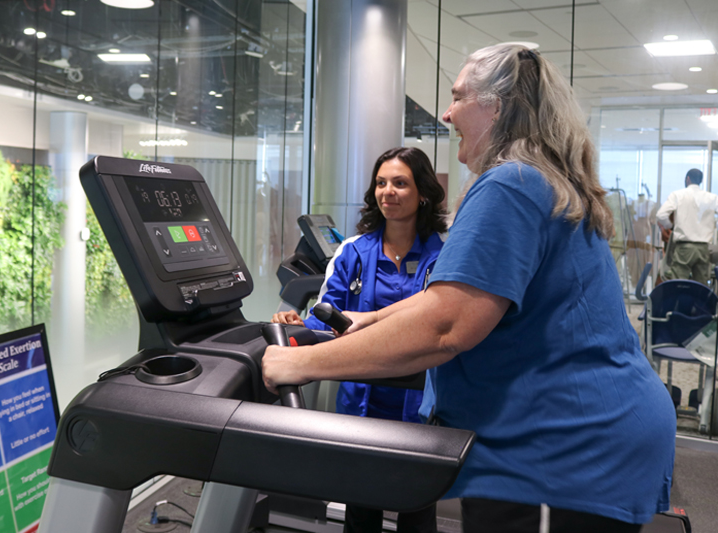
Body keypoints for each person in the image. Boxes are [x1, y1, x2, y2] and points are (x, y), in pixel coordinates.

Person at [263, 44, 676, 533]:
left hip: (558, 451)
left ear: (495, 107)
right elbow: (463, 295)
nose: (446, 111)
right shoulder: (540, 178)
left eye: (458, 97)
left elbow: (445, 325)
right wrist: (372, 319)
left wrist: (300, 363)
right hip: (577, 436)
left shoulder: (510, 184)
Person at [272, 146, 447, 533]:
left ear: (423, 193)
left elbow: (441, 318)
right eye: (381, 183)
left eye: (401, 183)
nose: (388, 191)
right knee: (361, 513)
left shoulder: (445, 255)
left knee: (418, 514)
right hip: (362, 404)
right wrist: (297, 322)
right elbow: (329, 318)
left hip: (419, 406)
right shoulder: (353, 252)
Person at [656, 168, 718, 285]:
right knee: (701, 287)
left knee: (678, 285)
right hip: (703, 249)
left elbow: (661, 215)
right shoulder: (712, 198)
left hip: (684, 248)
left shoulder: (678, 195)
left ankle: (680, 304)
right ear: (700, 181)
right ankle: (698, 304)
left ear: (688, 179)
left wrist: (671, 226)